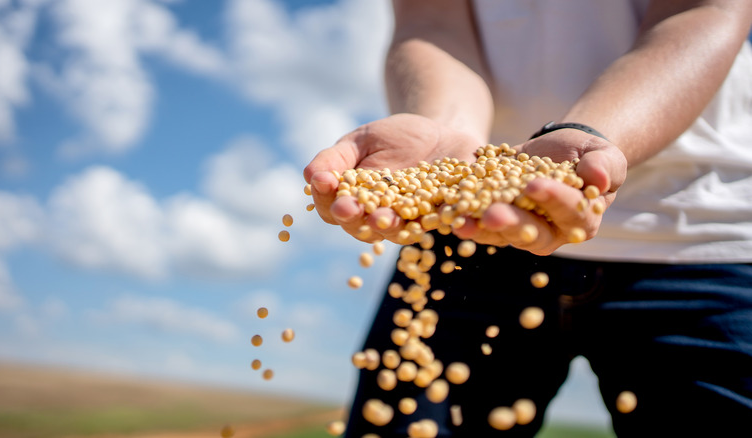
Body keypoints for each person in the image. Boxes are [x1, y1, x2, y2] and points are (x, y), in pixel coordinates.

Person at [304, 0, 752, 436]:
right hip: (469, 224)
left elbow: (702, 10)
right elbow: (432, 20)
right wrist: (449, 130)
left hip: (695, 234)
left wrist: (587, 137)